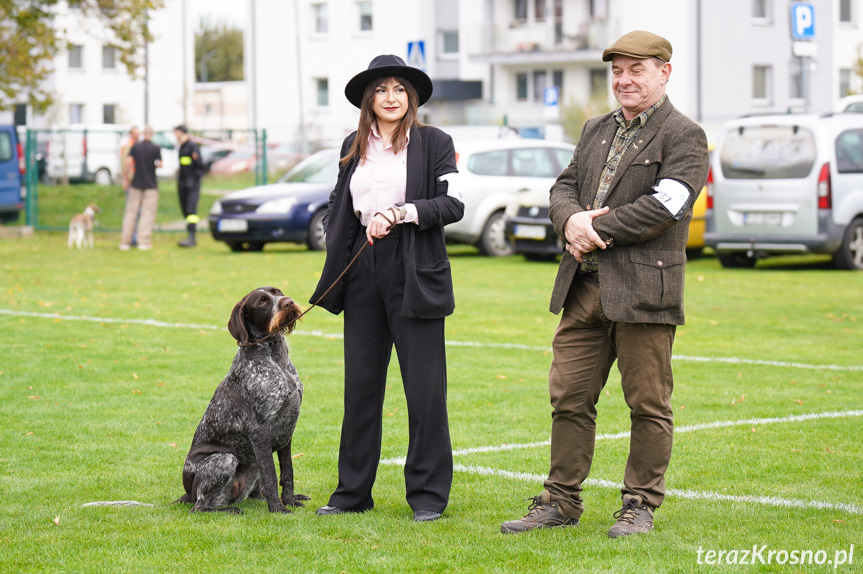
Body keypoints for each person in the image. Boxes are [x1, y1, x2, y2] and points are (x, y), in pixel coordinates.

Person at [501, 31, 710, 537]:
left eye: (637, 69)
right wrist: (570, 220)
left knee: (647, 403)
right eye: (617, 70)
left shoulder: (684, 134)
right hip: (584, 291)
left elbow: (667, 205)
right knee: (569, 397)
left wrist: (594, 229)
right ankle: (560, 501)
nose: (625, 79)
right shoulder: (596, 128)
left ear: (664, 72)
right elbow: (563, 186)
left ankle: (640, 505)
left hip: (644, 294)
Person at [310, 54, 464, 522]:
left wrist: (400, 212)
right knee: (359, 388)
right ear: (368, 99)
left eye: (399, 89)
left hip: (414, 265)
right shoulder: (353, 145)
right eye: (382, 90)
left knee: (424, 389)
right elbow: (342, 200)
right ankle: (352, 494)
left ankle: (428, 497)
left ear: (411, 98)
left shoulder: (435, 142)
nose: (391, 97)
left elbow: (452, 203)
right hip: (362, 268)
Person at [119, 125, 162, 251]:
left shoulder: (136, 146)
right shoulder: (155, 148)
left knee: (131, 212)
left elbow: (128, 162)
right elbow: (159, 164)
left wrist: (126, 179)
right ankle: (143, 241)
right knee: (147, 213)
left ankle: (125, 242)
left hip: (136, 184)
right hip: (150, 185)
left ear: (143, 133)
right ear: (153, 134)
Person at [174, 125, 205, 247]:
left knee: (191, 210)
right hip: (182, 183)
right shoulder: (181, 147)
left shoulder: (192, 147)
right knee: (185, 210)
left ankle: (192, 236)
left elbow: (200, 166)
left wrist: (194, 179)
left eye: (176, 133)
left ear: (182, 133)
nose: (175, 136)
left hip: (192, 183)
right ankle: (189, 235)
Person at [120, 126, 140, 246]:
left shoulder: (137, 145)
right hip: (132, 180)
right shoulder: (129, 146)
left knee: (137, 211)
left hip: (139, 181)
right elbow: (126, 163)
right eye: (135, 133)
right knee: (132, 210)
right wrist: (126, 179)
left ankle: (134, 237)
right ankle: (131, 237)